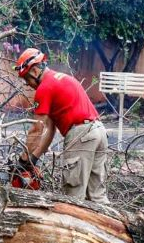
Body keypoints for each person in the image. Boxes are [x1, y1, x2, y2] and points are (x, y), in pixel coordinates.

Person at [14, 47, 110, 204]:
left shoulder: (44, 88)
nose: (28, 84)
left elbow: (36, 129)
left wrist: (23, 161)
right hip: (98, 132)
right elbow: (49, 131)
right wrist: (33, 159)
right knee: (97, 196)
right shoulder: (62, 79)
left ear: (36, 71)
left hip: (81, 135)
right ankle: (110, 226)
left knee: (72, 197)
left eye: (27, 79)